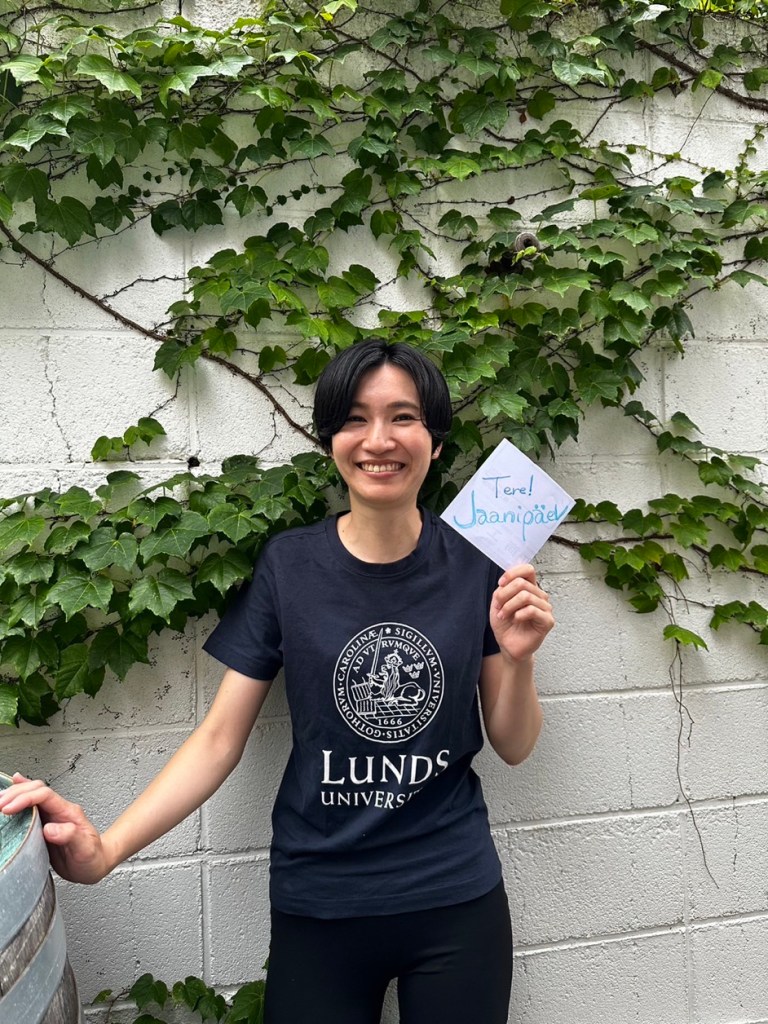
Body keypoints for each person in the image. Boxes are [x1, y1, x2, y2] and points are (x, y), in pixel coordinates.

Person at [0, 339, 554, 1024]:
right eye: (354, 418)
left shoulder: (477, 564)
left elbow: (513, 743)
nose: (378, 439)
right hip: (319, 902)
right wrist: (107, 848)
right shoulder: (290, 565)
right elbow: (218, 740)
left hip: (455, 901)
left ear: (435, 441)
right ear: (330, 441)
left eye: (403, 417)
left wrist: (521, 656)